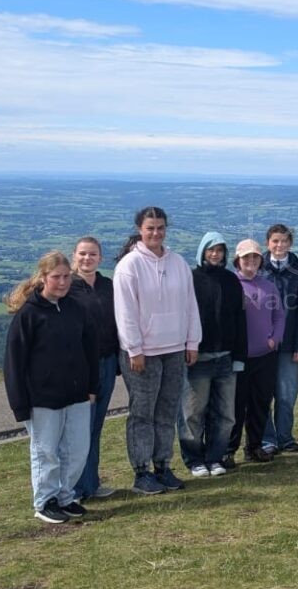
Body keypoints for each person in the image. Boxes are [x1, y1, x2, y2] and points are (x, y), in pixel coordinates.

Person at [4, 251, 98, 524]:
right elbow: (14, 362)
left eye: (67, 276)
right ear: (43, 277)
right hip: (42, 399)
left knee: (77, 450)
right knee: (46, 452)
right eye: (56, 277)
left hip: (77, 395)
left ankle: (66, 497)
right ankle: (45, 502)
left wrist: (92, 386)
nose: (63, 282)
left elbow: (90, 350)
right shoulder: (29, 314)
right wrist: (19, 404)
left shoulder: (76, 309)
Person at [113, 206, 201, 496]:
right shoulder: (129, 265)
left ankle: (162, 466)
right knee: (142, 413)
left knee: (166, 411)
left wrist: (192, 342)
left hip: (174, 349)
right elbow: (125, 311)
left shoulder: (178, 263)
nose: (156, 233)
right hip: (143, 354)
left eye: (160, 228)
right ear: (140, 229)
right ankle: (142, 472)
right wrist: (134, 348)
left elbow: (190, 304)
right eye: (150, 228)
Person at [178, 232, 247, 477]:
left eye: (219, 250)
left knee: (225, 414)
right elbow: (183, 317)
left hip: (226, 358)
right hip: (198, 358)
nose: (215, 254)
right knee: (193, 413)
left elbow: (240, 319)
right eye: (211, 250)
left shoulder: (231, 280)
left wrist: (239, 357)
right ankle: (194, 459)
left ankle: (215, 457)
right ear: (202, 252)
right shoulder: (190, 279)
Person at [68, 236, 119, 501]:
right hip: (80, 367)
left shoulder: (108, 286)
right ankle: (74, 488)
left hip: (107, 362)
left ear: (100, 258)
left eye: (92, 254)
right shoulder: (67, 287)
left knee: (96, 425)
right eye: (82, 254)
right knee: (79, 429)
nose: (87, 258)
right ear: (74, 256)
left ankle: (91, 483)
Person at [229, 239, 286, 463]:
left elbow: (279, 316)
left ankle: (254, 446)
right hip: (239, 358)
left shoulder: (268, 286)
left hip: (265, 356)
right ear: (238, 260)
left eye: (255, 257)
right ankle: (229, 450)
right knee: (236, 406)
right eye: (246, 257)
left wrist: (275, 339)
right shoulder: (232, 284)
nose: (251, 261)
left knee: (260, 403)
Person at [260, 223, 298, 456]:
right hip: (262, 344)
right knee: (263, 393)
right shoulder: (259, 270)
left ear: (290, 243)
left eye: (284, 241)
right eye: (275, 241)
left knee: (287, 394)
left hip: (289, 343)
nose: (279, 245)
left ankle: (285, 437)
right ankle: (267, 439)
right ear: (268, 243)